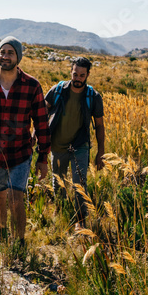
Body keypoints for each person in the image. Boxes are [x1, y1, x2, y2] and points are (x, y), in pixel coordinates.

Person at [0, 36, 50, 252]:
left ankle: (20, 242)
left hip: (21, 153)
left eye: (10, 52)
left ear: (18, 57)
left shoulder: (31, 85)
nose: (5, 56)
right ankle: (0, 236)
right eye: (2, 51)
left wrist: (43, 157)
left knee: (16, 197)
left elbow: (42, 123)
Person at [44, 57, 105, 227]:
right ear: (71, 72)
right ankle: (61, 211)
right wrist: (36, 133)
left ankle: (81, 219)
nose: (77, 78)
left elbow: (99, 126)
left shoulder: (93, 96)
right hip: (57, 145)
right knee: (58, 182)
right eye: (75, 74)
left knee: (80, 184)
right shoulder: (57, 91)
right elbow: (42, 111)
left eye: (81, 75)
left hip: (80, 146)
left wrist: (101, 153)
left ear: (88, 75)